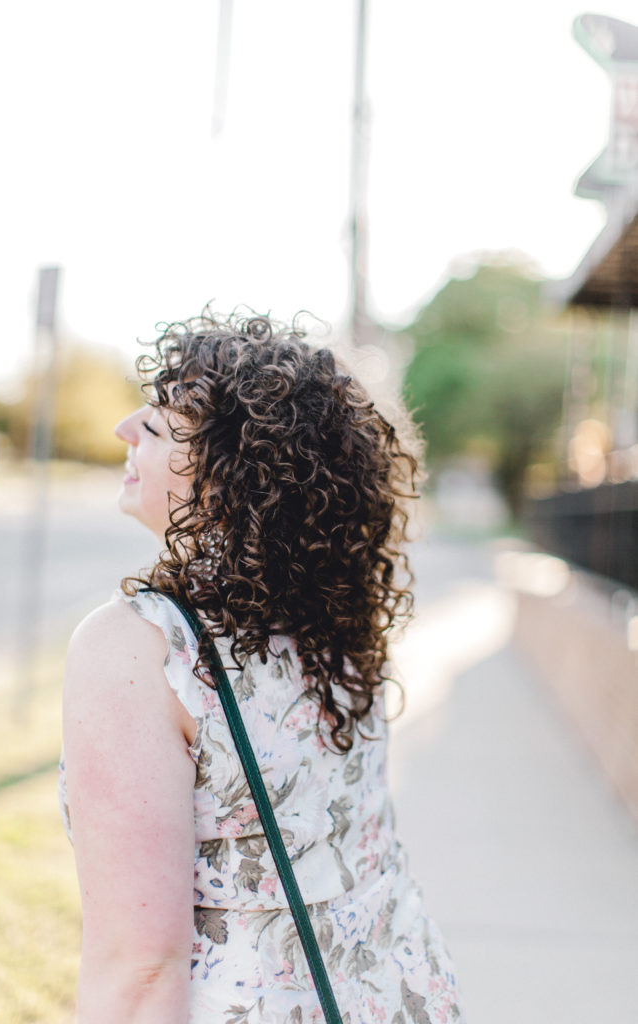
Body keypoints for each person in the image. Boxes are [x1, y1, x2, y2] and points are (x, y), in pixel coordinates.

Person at [58, 308, 465, 1023]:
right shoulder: (332, 615)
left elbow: (140, 970)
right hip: (399, 995)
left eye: (153, 428)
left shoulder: (138, 650)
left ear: (222, 480)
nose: (124, 428)